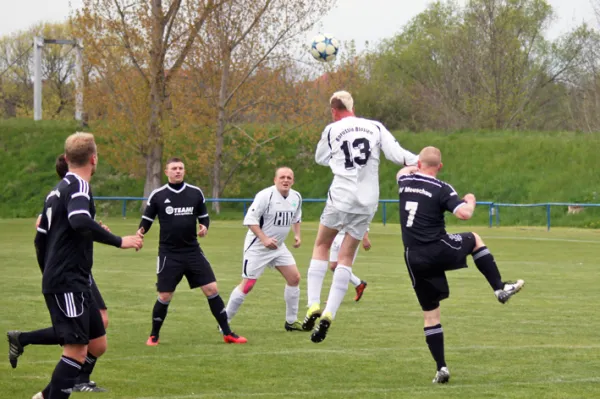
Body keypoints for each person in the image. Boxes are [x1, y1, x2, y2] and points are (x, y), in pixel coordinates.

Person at [397, 146, 525, 384]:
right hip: (437, 248)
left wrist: (414, 165)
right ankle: (499, 288)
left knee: (431, 316)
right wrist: (470, 200)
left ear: (419, 163)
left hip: (413, 257)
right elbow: (464, 214)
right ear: (440, 166)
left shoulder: (404, 180)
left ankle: (441, 368)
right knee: (474, 238)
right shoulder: (442, 188)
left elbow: (402, 171)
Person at [31, 132, 143, 399]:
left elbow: (40, 239)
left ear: (67, 158)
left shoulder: (56, 191)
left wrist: (48, 270)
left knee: (96, 342)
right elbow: (80, 220)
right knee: (76, 351)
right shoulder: (79, 186)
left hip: (71, 279)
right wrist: (119, 241)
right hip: (68, 280)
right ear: (94, 159)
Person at [303, 90, 418, 343]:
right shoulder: (374, 126)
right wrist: (421, 162)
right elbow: (397, 154)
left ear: (334, 110)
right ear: (352, 106)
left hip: (341, 196)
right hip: (367, 202)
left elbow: (320, 158)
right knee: (345, 257)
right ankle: (329, 313)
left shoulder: (332, 130)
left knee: (322, 245)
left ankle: (313, 304)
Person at [7, 154, 110, 393]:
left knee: (97, 336)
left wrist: (95, 230)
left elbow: (73, 227)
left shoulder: (70, 192)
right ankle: (75, 379)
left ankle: (29, 346)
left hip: (77, 272)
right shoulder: (69, 190)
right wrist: (115, 239)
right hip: (69, 273)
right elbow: (51, 229)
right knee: (78, 340)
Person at [137, 157, 246, 345]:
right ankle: (154, 334)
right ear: (167, 172)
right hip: (169, 254)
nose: (178, 171)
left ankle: (227, 332)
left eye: (180, 168)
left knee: (211, 288)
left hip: (192, 251)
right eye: (174, 168)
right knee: (165, 295)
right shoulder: (158, 195)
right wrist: (140, 233)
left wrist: (204, 227)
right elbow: (147, 220)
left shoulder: (195, 193)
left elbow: (204, 217)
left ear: (184, 171)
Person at [225, 167, 304, 332]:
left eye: (289, 177)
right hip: (258, 247)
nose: (286, 180)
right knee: (247, 285)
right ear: (275, 180)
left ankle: (291, 321)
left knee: (294, 278)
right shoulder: (265, 195)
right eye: (282, 177)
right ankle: (224, 321)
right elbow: (250, 219)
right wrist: (264, 239)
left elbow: (296, 217)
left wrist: (297, 235)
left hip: (278, 247)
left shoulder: (296, 196)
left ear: (293, 181)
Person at [328, 229, 370, 302]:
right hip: (335, 234)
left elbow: (364, 220)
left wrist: (365, 237)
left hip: (350, 236)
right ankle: (359, 283)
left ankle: (333, 298)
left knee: (342, 268)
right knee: (333, 266)